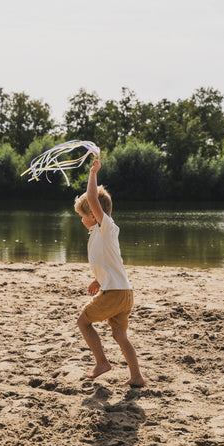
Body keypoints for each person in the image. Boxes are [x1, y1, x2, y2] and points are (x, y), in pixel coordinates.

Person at [74, 153, 145, 386]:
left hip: (116, 294)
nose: (82, 219)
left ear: (95, 215)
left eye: (83, 215)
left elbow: (93, 197)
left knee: (83, 322)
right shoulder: (97, 233)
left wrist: (93, 173)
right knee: (119, 335)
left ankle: (102, 362)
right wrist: (98, 280)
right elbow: (104, 261)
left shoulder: (106, 227)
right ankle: (136, 377)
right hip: (122, 291)